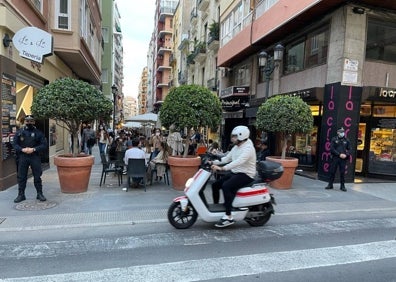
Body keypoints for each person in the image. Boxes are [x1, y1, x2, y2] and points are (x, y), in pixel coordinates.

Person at [210, 126, 256, 228]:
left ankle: (228, 216)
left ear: (241, 136)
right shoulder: (236, 147)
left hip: (246, 174)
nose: (232, 138)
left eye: (234, 137)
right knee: (215, 185)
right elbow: (226, 158)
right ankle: (217, 208)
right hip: (236, 172)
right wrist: (212, 162)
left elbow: (238, 162)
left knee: (226, 186)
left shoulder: (248, 149)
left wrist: (222, 168)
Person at [13, 115, 48, 203]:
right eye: (27, 121)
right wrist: (22, 149)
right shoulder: (19, 132)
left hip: (34, 156)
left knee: (37, 176)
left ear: (34, 122)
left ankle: (39, 194)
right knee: (21, 176)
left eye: (31, 121)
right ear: (24, 122)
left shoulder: (39, 133)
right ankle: (21, 195)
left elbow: (44, 145)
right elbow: (14, 144)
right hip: (23, 156)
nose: (29, 123)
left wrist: (34, 149)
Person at [325, 127, 350, 192]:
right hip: (335, 157)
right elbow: (332, 149)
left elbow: (350, 149)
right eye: (341, 132)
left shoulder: (346, 140)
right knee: (332, 171)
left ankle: (342, 186)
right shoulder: (334, 139)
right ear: (338, 132)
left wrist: (346, 155)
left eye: (343, 132)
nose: (342, 133)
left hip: (343, 159)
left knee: (342, 172)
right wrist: (339, 154)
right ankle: (330, 184)